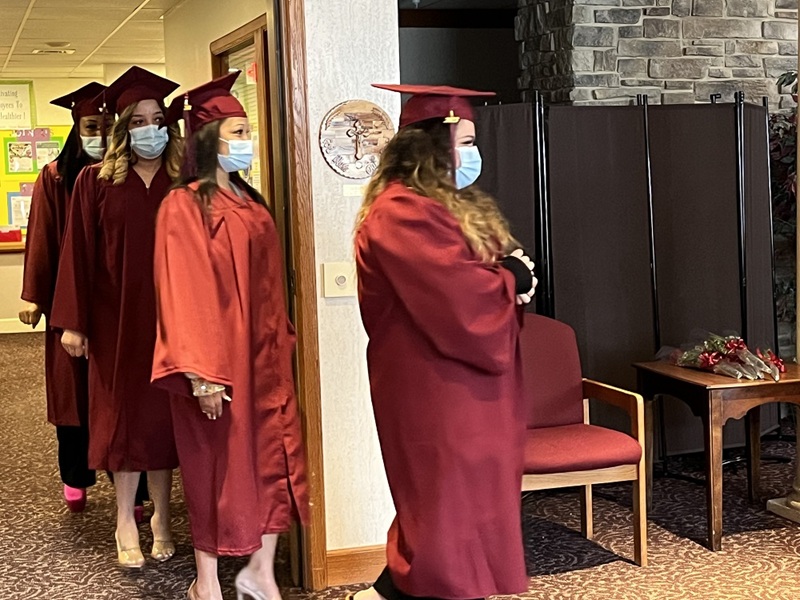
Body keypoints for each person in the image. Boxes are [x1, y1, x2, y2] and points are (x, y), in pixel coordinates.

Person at [353, 84, 537, 600]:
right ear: (432, 146)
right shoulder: (401, 212)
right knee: (446, 510)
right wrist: (511, 280)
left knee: (464, 507)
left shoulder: (447, 206)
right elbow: (461, 297)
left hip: (466, 384)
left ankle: (401, 590)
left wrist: (510, 276)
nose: (474, 154)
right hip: (437, 387)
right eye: (467, 141)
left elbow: (494, 271)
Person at [151, 72, 309, 600]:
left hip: (264, 361)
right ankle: (207, 581)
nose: (247, 142)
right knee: (213, 465)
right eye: (237, 131)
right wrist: (201, 375)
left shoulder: (250, 201)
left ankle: (260, 571)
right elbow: (183, 293)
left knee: (271, 459)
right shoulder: (184, 207)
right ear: (207, 137)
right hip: (217, 366)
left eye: (246, 132)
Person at [51, 66, 182, 569]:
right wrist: (73, 323)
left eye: (158, 119)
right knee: (122, 418)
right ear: (123, 128)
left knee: (164, 418)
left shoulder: (182, 180)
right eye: (139, 120)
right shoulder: (95, 180)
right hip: (115, 320)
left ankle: (164, 518)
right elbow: (77, 255)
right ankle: (125, 518)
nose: (150, 128)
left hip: (172, 320)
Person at [19, 82, 107, 512]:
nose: (101, 135)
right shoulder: (54, 176)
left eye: (108, 127)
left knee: (118, 393)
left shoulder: (122, 174)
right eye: (92, 126)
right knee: (73, 395)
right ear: (77, 127)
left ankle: (136, 484)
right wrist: (36, 296)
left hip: (112, 301)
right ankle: (75, 477)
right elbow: (41, 238)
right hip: (66, 299)